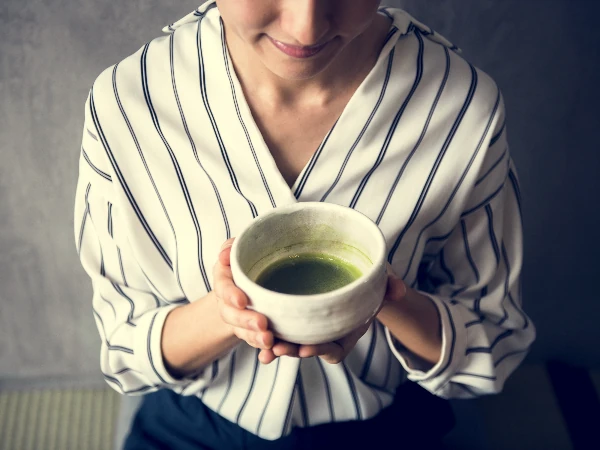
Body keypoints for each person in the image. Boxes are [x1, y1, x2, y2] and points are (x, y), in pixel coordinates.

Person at [74, 0, 536, 448]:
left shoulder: (463, 107)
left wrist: (381, 298)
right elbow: (125, 352)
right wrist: (229, 311)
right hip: (195, 429)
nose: (306, 27)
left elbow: (491, 344)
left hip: (386, 425)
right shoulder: (128, 105)